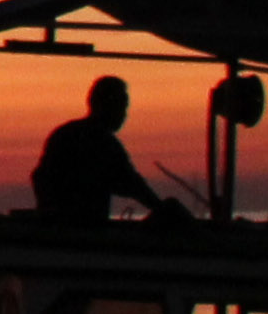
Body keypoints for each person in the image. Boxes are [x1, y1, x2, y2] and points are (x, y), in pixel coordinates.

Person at [27, 76, 170, 226]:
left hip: (61, 226)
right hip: (83, 228)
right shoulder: (102, 142)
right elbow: (132, 183)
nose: (124, 115)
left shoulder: (66, 133)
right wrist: (160, 208)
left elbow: (40, 177)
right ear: (105, 106)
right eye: (120, 107)